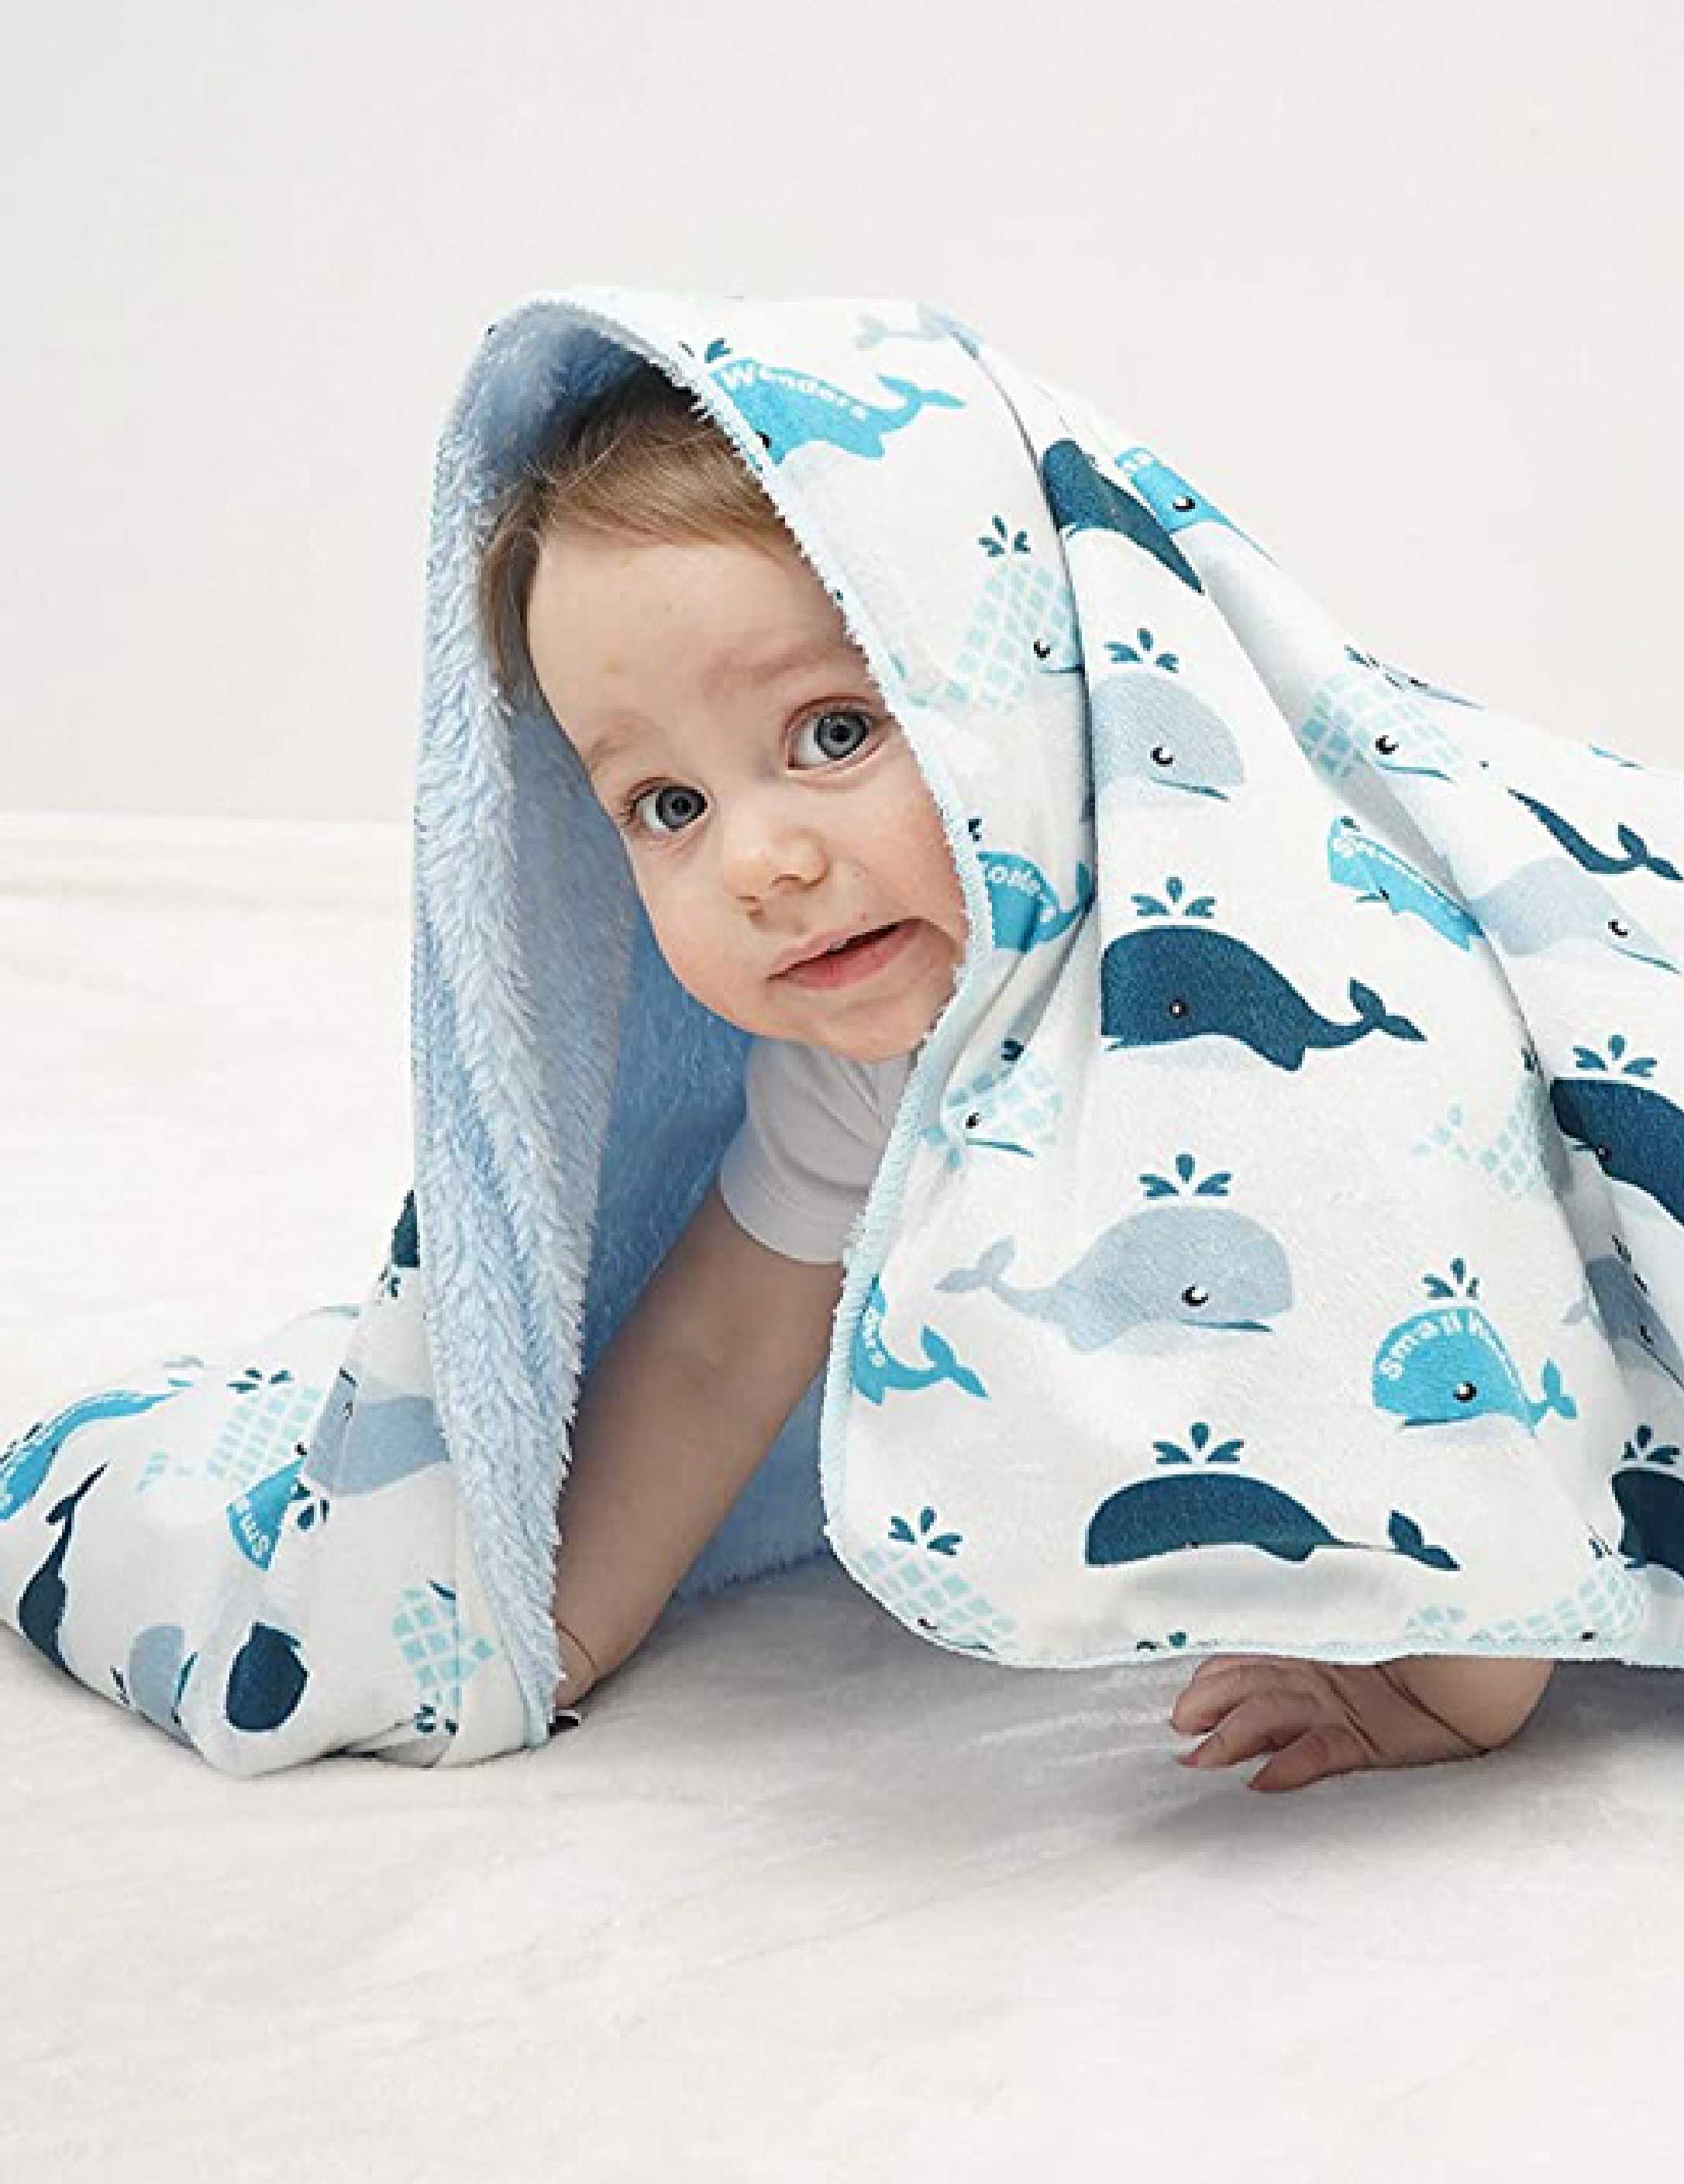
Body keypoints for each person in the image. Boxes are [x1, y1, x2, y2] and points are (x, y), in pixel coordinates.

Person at [480, 367, 1554, 1790]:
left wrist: (1448, 1680)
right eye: (668, 805)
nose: (759, 864)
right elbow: (717, 1356)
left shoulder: (1245, 965)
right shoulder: (876, 1043)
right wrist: (546, 1632)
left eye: (835, 732)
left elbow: (1456, 1281)